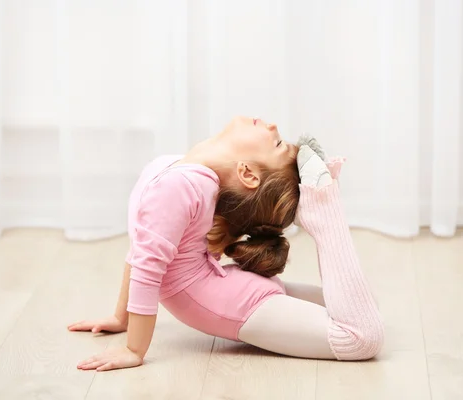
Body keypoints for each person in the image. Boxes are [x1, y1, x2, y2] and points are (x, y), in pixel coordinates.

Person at [68, 116, 384, 371]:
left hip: (235, 300)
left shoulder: (181, 184)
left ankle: (324, 211)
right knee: (362, 317)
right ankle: (322, 208)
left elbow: (147, 267)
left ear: (246, 172)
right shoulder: (175, 169)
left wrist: (134, 349)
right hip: (232, 298)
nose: (273, 125)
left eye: (275, 142)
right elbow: (142, 255)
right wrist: (120, 319)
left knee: (361, 332)